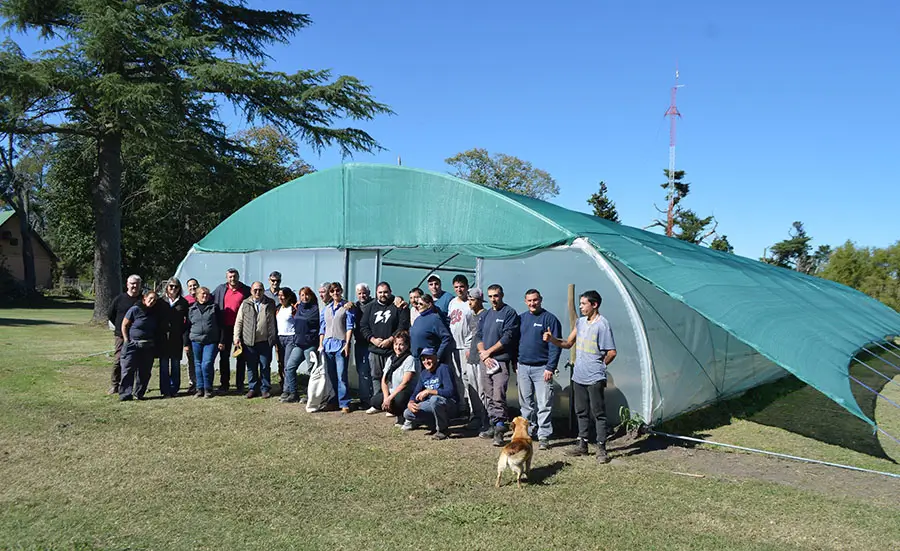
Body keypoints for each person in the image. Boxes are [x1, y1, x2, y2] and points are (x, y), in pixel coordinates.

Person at [543, 290, 617, 464]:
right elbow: (568, 343)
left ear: (594, 305)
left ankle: (601, 448)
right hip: (579, 376)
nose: (581, 307)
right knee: (581, 411)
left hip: (595, 377)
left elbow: (612, 352)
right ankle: (582, 444)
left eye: (584, 304)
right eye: (580, 303)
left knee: (598, 412)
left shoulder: (602, 325)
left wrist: (600, 366)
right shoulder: (581, 322)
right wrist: (552, 340)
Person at [517, 289, 562, 450]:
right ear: (525, 301)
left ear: (540, 300)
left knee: (544, 403)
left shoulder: (550, 319)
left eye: (535, 300)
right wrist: (516, 362)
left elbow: (555, 346)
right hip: (523, 367)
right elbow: (515, 342)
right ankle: (527, 432)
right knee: (526, 404)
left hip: (542, 368)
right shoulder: (521, 319)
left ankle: (544, 436)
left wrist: (550, 367)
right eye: (529, 300)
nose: (532, 303)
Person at [476, 284, 520, 447]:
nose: (493, 299)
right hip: (485, 361)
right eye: (490, 296)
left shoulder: (509, 313)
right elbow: (478, 336)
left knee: (498, 394)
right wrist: (483, 353)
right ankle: (493, 424)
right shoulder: (486, 314)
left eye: (496, 296)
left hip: (500, 361)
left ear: (502, 295)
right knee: (488, 394)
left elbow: (508, 337)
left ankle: (500, 429)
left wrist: (489, 352)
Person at [360, 282, 410, 413]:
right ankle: (379, 403)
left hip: (392, 350)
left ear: (390, 292)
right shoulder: (370, 307)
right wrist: (373, 340)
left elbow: (402, 325)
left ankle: (391, 405)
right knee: (376, 377)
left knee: (391, 377)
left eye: (386, 292)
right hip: (375, 349)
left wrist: (390, 340)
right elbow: (363, 326)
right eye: (380, 292)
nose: (383, 295)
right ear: (376, 293)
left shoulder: (397, 305)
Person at [401, 347, 458, 440]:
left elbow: (450, 392)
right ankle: (434, 425)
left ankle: (443, 430)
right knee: (408, 413)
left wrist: (429, 391)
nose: (426, 362)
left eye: (429, 358)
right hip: (432, 404)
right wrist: (411, 402)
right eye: (423, 359)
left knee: (434, 399)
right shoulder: (423, 373)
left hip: (448, 404)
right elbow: (416, 392)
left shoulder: (444, 368)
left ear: (436, 358)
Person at [234, 281, 277, 399]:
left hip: (265, 341)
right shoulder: (245, 303)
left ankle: (265, 389)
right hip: (249, 341)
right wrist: (236, 337)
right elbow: (239, 321)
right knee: (251, 366)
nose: (258, 292)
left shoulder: (270, 303)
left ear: (263, 290)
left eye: (260, 290)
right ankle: (253, 388)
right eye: (255, 290)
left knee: (265, 366)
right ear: (251, 291)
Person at [212, 268, 251, 393]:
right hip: (225, 328)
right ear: (226, 278)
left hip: (241, 328)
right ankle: (224, 384)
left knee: (241, 357)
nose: (232, 279)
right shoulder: (220, 289)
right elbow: (209, 299)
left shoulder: (246, 290)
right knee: (224, 357)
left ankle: (240, 384)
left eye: (234, 276)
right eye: (230, 277)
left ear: (238, 277)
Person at [319, 282, 355, 413]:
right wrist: (320, 344)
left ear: (341, 291)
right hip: (328, 345)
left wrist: (347, 343)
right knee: (331, 376)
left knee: (341, 376)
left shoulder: (347, 307)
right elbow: (322, 328)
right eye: (332, 291)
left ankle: (344, 403)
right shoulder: (326, 309)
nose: (335, 293)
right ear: (330, 293)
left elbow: (349, 327)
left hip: (340, 345)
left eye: (337, 290)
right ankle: (333, 401)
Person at [119, 291, 160, 401]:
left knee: (145, 372)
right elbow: (124, 325)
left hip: (148, 345)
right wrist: (126, 340)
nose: (152, 301)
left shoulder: (155, 313)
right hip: (133, 344)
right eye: (150, 298)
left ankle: (139, 393)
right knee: (128, 370)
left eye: (155, 300)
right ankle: (125, 394)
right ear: (144, 298)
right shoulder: (135, 309)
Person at [281, 286, 320, 403]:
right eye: (302, 295)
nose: (305, 297)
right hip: (298, 344)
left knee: (312, 370)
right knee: (289, 367)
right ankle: (294, 394)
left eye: (307, 294)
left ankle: (311, 395)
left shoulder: (315, 309)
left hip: (310, 345)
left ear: (311, 296)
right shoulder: (298, 307)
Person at [369, 330, 416, 421]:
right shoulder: (391, 358)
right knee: (375, 401)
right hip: (392, 392)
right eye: (396, 344)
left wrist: (390, 398)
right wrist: (386, 397)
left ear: (407, 345)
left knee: (399, 399)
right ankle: (393, 410)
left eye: (401, 344)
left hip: (405, 392)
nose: (398, 347)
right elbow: (384, 380)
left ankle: (404, 416)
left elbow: (405, 383)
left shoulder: (410, 359)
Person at [106, 274, 142, 395]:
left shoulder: (143, 300)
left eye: (137, 283)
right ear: (127, 284)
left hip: (137, 336)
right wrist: (119, 326)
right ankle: (115, 385)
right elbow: (110, 314)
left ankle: (137, 385)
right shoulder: (119, 299)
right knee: (118, 360)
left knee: (137, 362)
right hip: (121, 335)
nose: (134, 286)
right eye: (132, 283)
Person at [186, 286, 224, 398]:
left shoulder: (214, 308)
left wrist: (221, 341)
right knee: (197, 364)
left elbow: (221, 325)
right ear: (197, 296)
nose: (205, 296)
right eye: (202, 293)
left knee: (206, 363)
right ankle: (200, 388)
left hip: (211, 341)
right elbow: (187, 327)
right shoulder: (191, 309)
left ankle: (208, 388)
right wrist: (186, 343)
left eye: (207, 294)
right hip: (195, 340)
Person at [447, 274, 474, 421]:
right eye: (456, 287)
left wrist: (471, 346)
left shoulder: (470, 303)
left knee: (467, 377)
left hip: (466, 346)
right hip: (454, 346)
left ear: (467, 287)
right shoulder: (452, 302)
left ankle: (472, 408)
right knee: (457, 377)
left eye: (462, 286)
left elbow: (475, 326)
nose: (459, 289)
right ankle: (462, 407)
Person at [157, 277, 190, 397]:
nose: (173, 289)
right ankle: (165, 390)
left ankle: (174, 389)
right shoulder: (161, 301)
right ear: (167, 287)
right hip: (163, 338)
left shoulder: (183, 303)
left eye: (176, 287)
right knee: (164, 365)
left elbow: (187, 322)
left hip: (177, 338)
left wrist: (184, 337)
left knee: (175, 365)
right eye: (171, 286)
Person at [465, 288, 490, 434]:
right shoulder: (470, 315)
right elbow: (469, 335)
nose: (470, 302)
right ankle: (475, 417)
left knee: (483, 390)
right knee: (472, 389)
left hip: (481, 357)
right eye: (469, 299)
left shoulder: (486, 315)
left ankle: (486, 419)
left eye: (473, 300)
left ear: (480, 301)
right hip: (471, 357)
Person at [409, 293, 453, 365]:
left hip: (429, 361)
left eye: (421, 304)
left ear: (429, 305)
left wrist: (438, 356)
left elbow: (446, 338)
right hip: (417, 361)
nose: (418, 306)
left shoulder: (435, 318)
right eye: (417, 304)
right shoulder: (417, 319)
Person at [352, 283, 375, 407]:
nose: (362, 295)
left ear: (369, 293)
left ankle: (370, 399)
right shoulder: (355, 306)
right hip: (359, 343)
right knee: (361, 371)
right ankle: (365, 398)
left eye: (364, 293)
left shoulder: (374, 304)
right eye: (359, 293)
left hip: (371, 343)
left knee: (370, 371)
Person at [265, 271, 285, 385]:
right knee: (266, 358)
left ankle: (284, 381)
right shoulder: (264, 294)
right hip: (267, 330)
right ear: (269, 281)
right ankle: (265, 383)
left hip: (281, 329)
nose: (275, 283)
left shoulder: (283, 294)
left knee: (282, 358)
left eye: (277, 281)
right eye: (273, 280)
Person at [184, 278, 200, 394]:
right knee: (191, 360)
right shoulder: (185, 301)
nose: (193, 288)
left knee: (201, 361)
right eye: (190, 286)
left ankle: (202, 383)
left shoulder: (204, 297)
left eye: (194, 285)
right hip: (189, 334)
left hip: (201, 334)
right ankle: (192, 382)